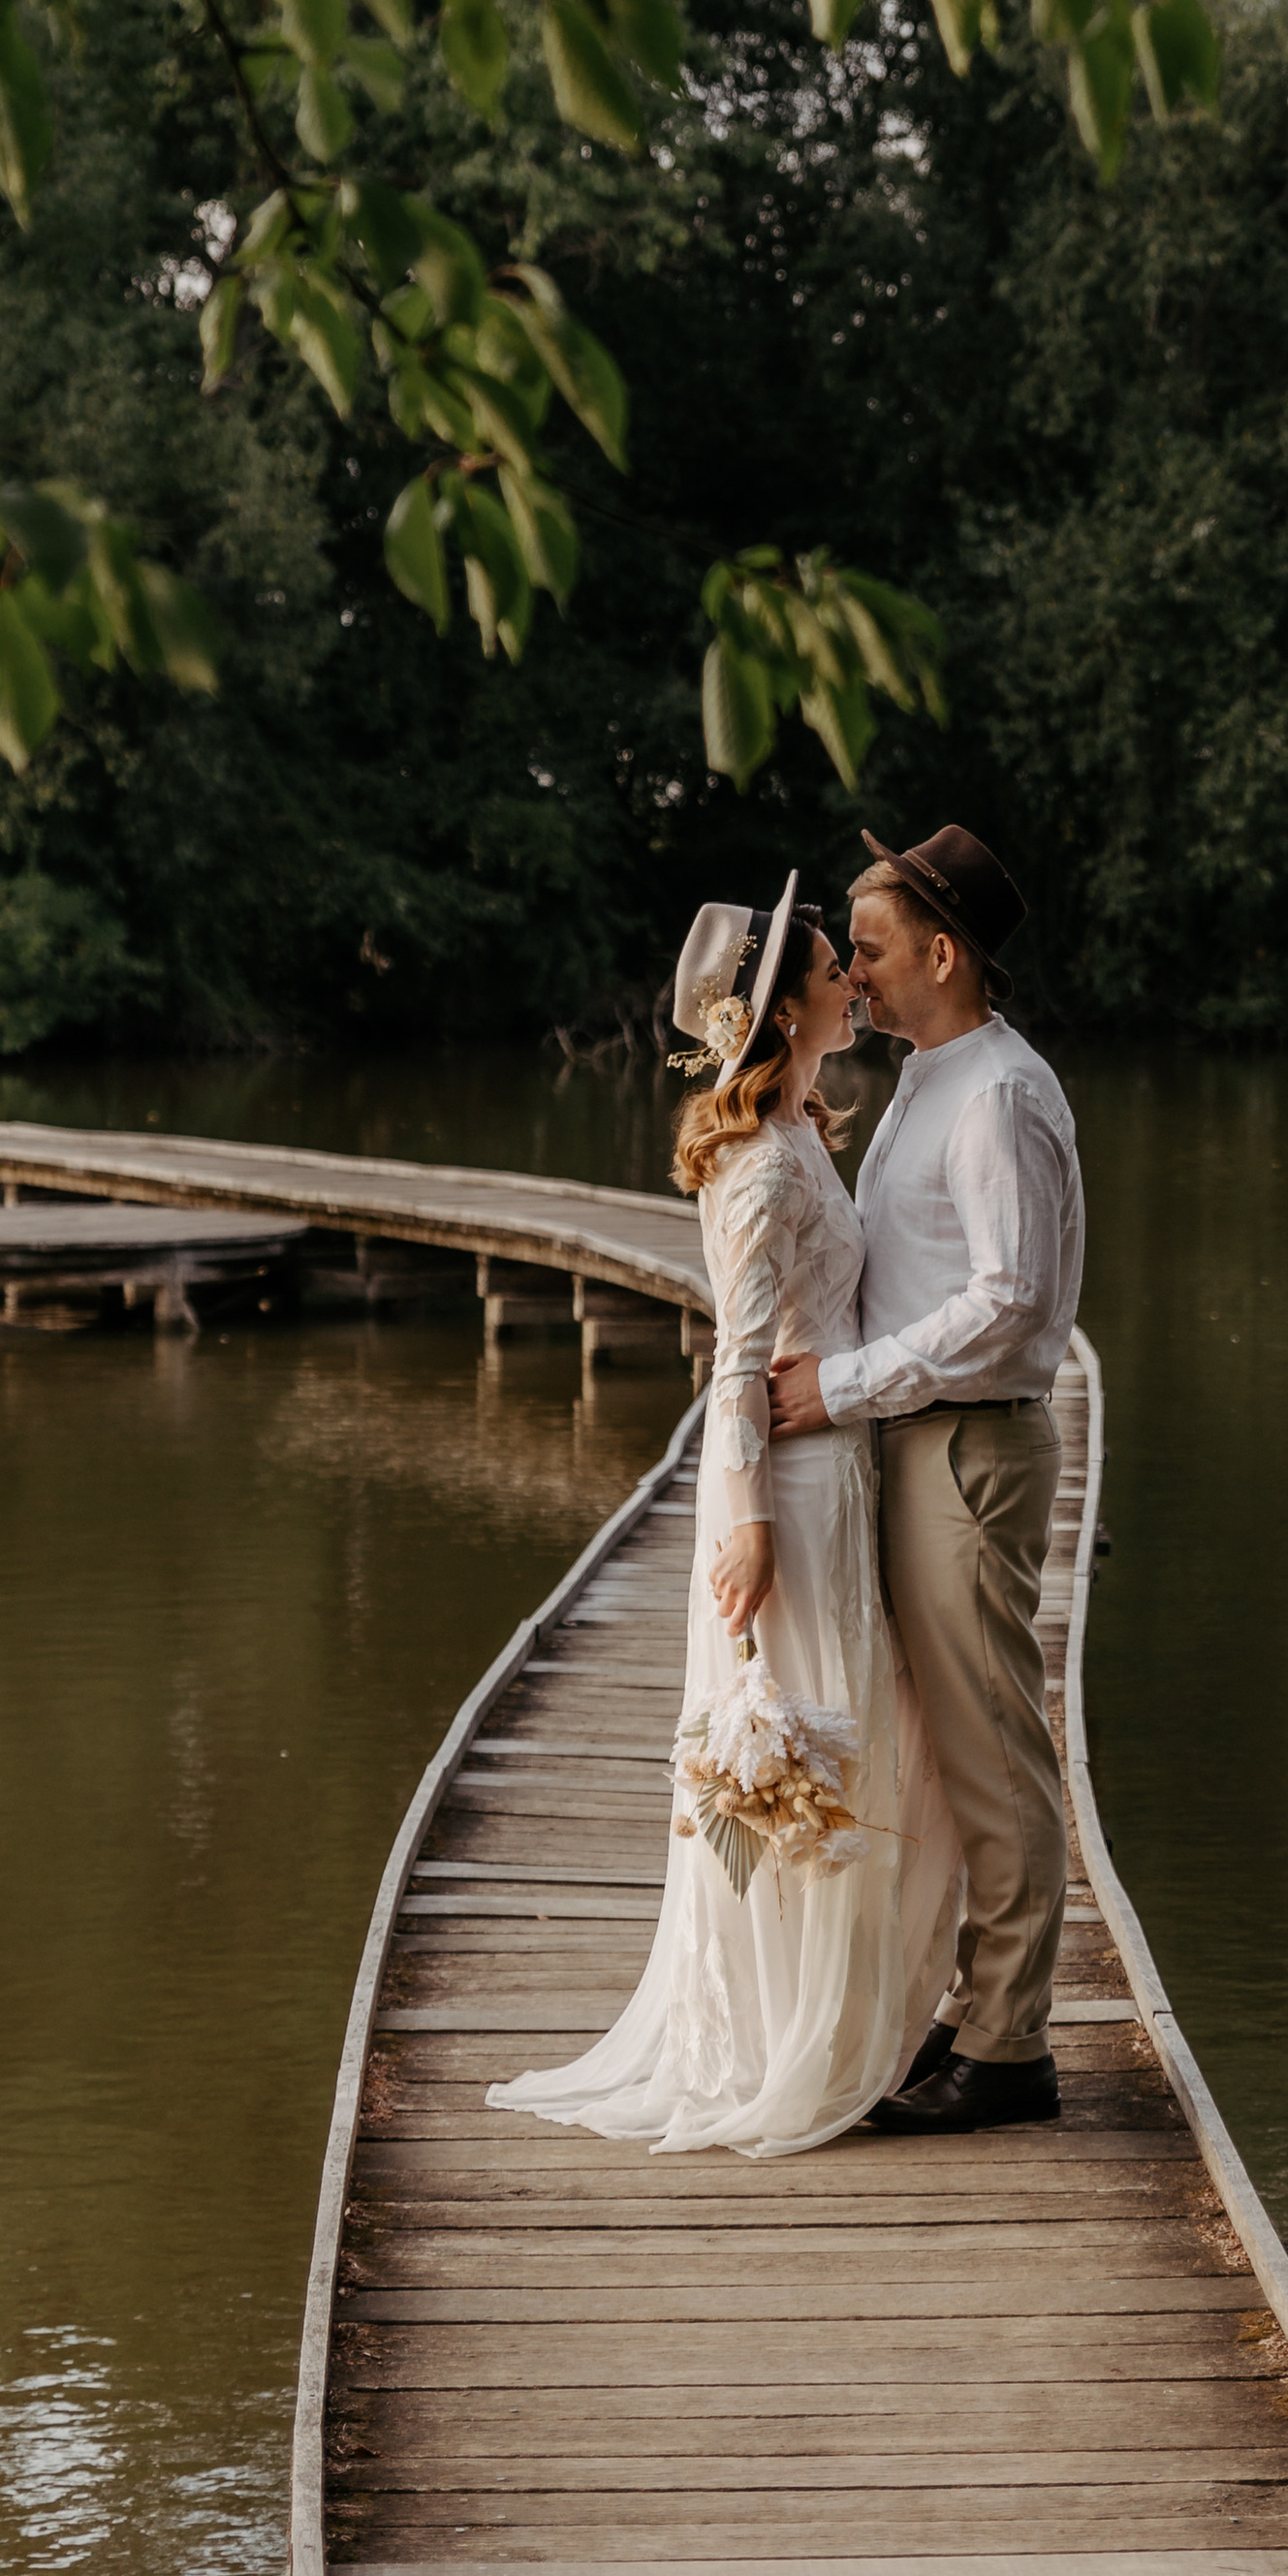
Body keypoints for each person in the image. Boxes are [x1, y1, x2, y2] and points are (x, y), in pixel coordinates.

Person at [485, 874, 962, 2157]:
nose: (852, 980)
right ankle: (780, 2036)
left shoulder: (804, 1124)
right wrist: (743, 1522)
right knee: (799, 1747)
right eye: (831, 969)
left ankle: (846, 2014)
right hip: (788, 1496)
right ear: (785, 1008)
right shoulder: (757, 1165)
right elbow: (735, 1361)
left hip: (838, 1471)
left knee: (839, 1740)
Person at [769, 824, 1085, 2135]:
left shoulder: (999, 1093)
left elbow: (1010, 1304)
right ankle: (970, 2008)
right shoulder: (930, 1077)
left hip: (969, 1448)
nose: (854, 975)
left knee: (991, 1747)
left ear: (944, 955)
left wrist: (838, 1388)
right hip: (919, 1444)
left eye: (877, 951)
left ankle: (1009, 2046)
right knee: (946, 1752)